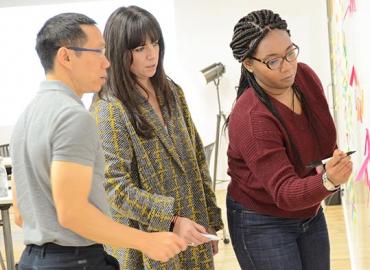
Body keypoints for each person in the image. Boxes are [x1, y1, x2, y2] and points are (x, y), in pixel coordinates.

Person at [10, 12, 187, 270]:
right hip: (75, 260)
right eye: (98, 52)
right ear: (66, 56)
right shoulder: (73, 117)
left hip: (35, 260)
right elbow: (72, 212)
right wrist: (146, 241)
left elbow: (19, 214)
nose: (107, 63)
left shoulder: (26, 117)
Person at [90, 6, 223, 270]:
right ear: (119, 52)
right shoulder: (109, 108)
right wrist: (171, 220)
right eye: (139, 48)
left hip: (192, 231)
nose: (152, 54)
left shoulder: (171, 91)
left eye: (155, 43)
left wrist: (210, 220)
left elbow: (196, 158)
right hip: (147, 244)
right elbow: (115, 189)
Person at [226, 9, 353, 270]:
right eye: (273, 61)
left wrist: (333, 163)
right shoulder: (251, 116)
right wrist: (329, 180)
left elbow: (322, 140)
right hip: (261, 219)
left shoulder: (305, 77)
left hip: (309, 211)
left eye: (290, 53)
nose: (287, 66)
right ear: (249, 64)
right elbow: (284, 192)